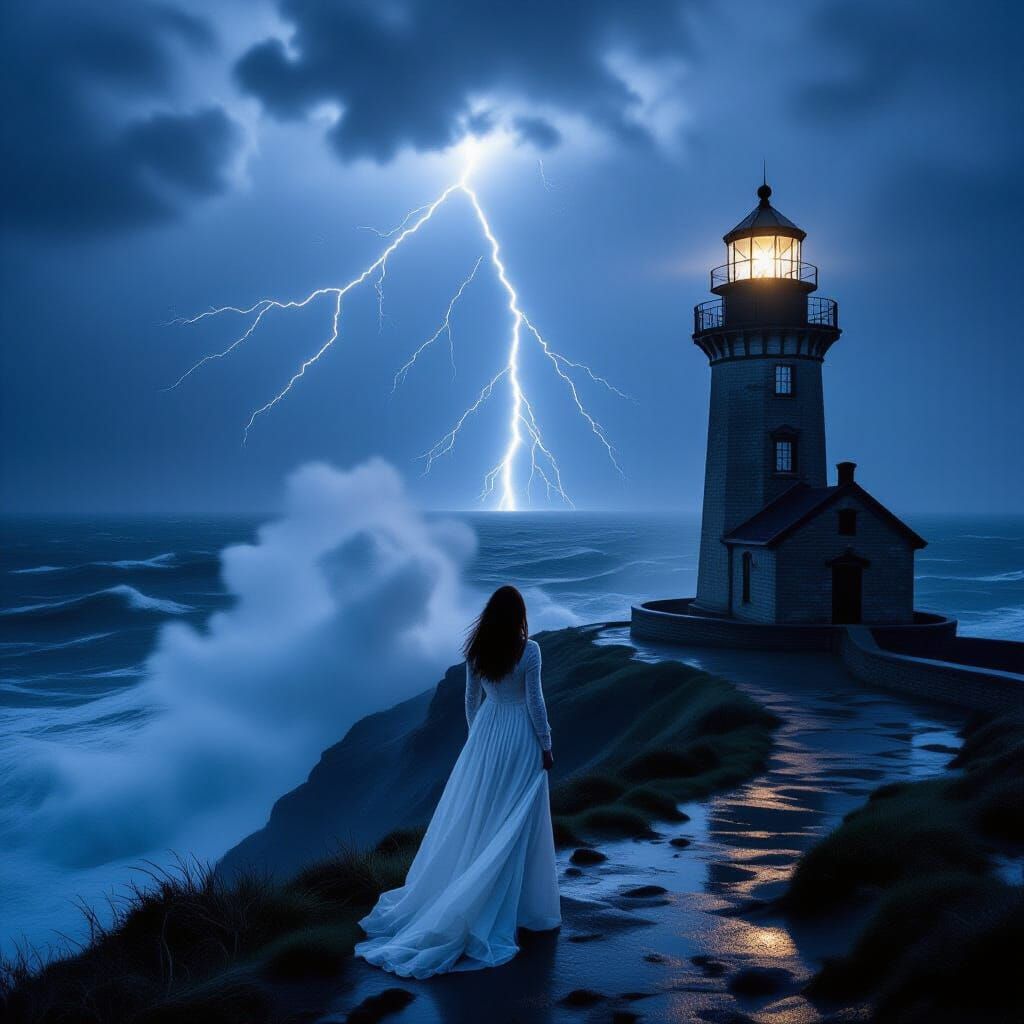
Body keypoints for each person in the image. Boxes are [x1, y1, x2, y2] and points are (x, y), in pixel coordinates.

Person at [355, 585, 561, 978]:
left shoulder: (477, 650)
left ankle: (484, 894)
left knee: (486, 814)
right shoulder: (529, 650)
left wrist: (477, 741)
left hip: (487, 731)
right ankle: (519, 906)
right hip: (520, 735)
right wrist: (546, 744)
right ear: (518, 615)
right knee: (518, 817)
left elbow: (470, 701)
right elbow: (535, 701)